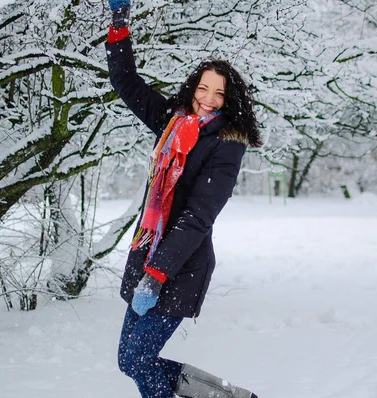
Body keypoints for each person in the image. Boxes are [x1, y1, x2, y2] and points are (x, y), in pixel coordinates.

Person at [105, 1, 262, 397]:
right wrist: (119, 24)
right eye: (203, 88)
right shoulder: (172, 122)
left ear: (229, 100)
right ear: (193, 87)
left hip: (181, 267)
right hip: (148, 256)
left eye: (218, 94)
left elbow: (198, 216)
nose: (208, 99)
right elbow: (126, 82)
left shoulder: (228, 144)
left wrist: (157, 276)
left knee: (140, 359)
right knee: (129, 360)